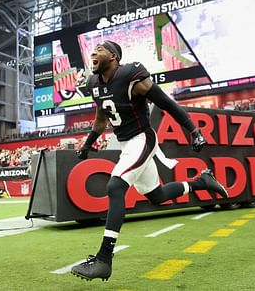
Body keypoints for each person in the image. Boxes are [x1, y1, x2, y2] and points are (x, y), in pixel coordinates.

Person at [70, 40, 228, 281]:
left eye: (100, 49)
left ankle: (104, 258)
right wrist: (88, 144)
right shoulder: (93, 83)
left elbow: (166, 103)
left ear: (113, 57)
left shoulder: (131, 75)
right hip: (126, 144)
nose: (93, 52)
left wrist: (193, 130)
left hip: (142, 138)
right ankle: (201, 182)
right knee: (157, 196)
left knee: (115, 186)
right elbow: (101, 121)